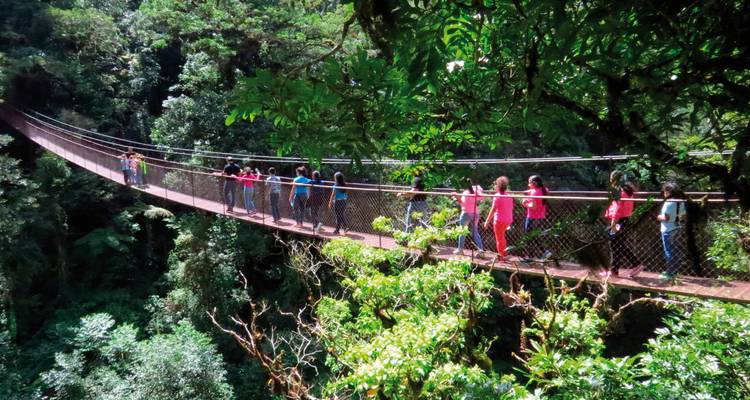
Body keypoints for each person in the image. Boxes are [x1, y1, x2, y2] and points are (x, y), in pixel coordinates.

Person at [602, 171, 645, 278]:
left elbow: (617, 209)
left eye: (611, 178)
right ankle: (614, 270)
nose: (610, 180)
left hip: (618, 221)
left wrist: (613, 224)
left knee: (616, 245)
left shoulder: (619, 191)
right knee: (617, 245)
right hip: (624, 220)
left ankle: (636, 264)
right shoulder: (627, 190)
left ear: (614, 179)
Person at [657, 182, 687, 281]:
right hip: (677, 228)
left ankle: (670, 273)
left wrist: (658, 217)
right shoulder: (680, 201)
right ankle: (675, 271)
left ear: (669, 192)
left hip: (667, 229)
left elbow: (666, 217)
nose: (664, 193)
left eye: (665, 192)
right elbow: (683, 215)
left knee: (668, 251)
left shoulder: (669, 202)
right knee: (675, 250)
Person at [453, 178, 485, 257]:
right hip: (475, 213)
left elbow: (464, 204)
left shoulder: (465, 193)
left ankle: (460, 250)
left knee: (462, 232)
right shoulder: (475, 191)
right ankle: (481, 251)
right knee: (475, 232)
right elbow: (482, 197)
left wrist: (457, 197)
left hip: (466, 214)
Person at [484, 176, 513, 261]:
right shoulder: (509, 196)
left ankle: (501, 256)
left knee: (499, 239)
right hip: (508, 220)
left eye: (496, 185)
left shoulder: (497, 196)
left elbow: (493, 210)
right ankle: (504, 254)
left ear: (498, 186)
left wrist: (486, 222)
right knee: (502, 237)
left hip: (499, 220)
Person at [521, 175, 549, 260]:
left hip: (532, 217)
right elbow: (542, 190)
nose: (528, 183)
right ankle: (544, 252)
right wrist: (528, 192)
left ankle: (530, 256)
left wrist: (525, 203)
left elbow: (533, 207)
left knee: (529, 237)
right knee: (535, 236)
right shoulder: (543, 190)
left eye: (529, 182)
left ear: (534, 183)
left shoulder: (534, 193)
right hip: (540, 217)